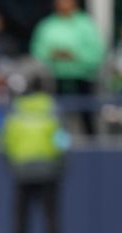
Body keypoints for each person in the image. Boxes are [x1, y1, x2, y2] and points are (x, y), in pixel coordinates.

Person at [0, 80, 68, 233]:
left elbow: (6, 141)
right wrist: (61, 163)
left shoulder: (15, 111)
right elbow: (62, 139)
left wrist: (12, 165)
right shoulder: (52, 109)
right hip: (48, 169)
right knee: (51, 216)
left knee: (21, 218)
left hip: (22, 169)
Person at [31, 0, 104, 134]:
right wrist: (53, 55)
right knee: (56, 119)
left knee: (87, 119)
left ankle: (91, 150)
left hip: (82, 80)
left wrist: (74, 56)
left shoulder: (86, 24)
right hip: (53, 81)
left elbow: (96, 53)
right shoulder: (47, 25)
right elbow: (38, 52)